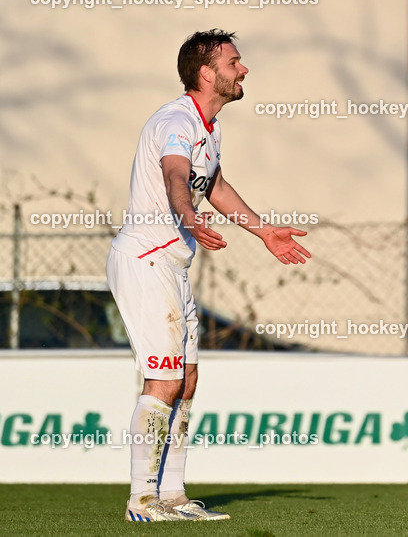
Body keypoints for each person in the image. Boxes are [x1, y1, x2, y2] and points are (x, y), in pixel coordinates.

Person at [106, 30, 312, 521]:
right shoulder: (176, 121)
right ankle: (141, 500)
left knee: (188, 380)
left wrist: (263, 231)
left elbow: (212, 182)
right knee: (164, 380)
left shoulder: (209, 127)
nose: (244, 70)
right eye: (235, 62)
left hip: (172, 261)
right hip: (145, 258)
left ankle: (173, 497)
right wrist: (187, 215)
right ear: (207, 72)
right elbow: (178, 177)